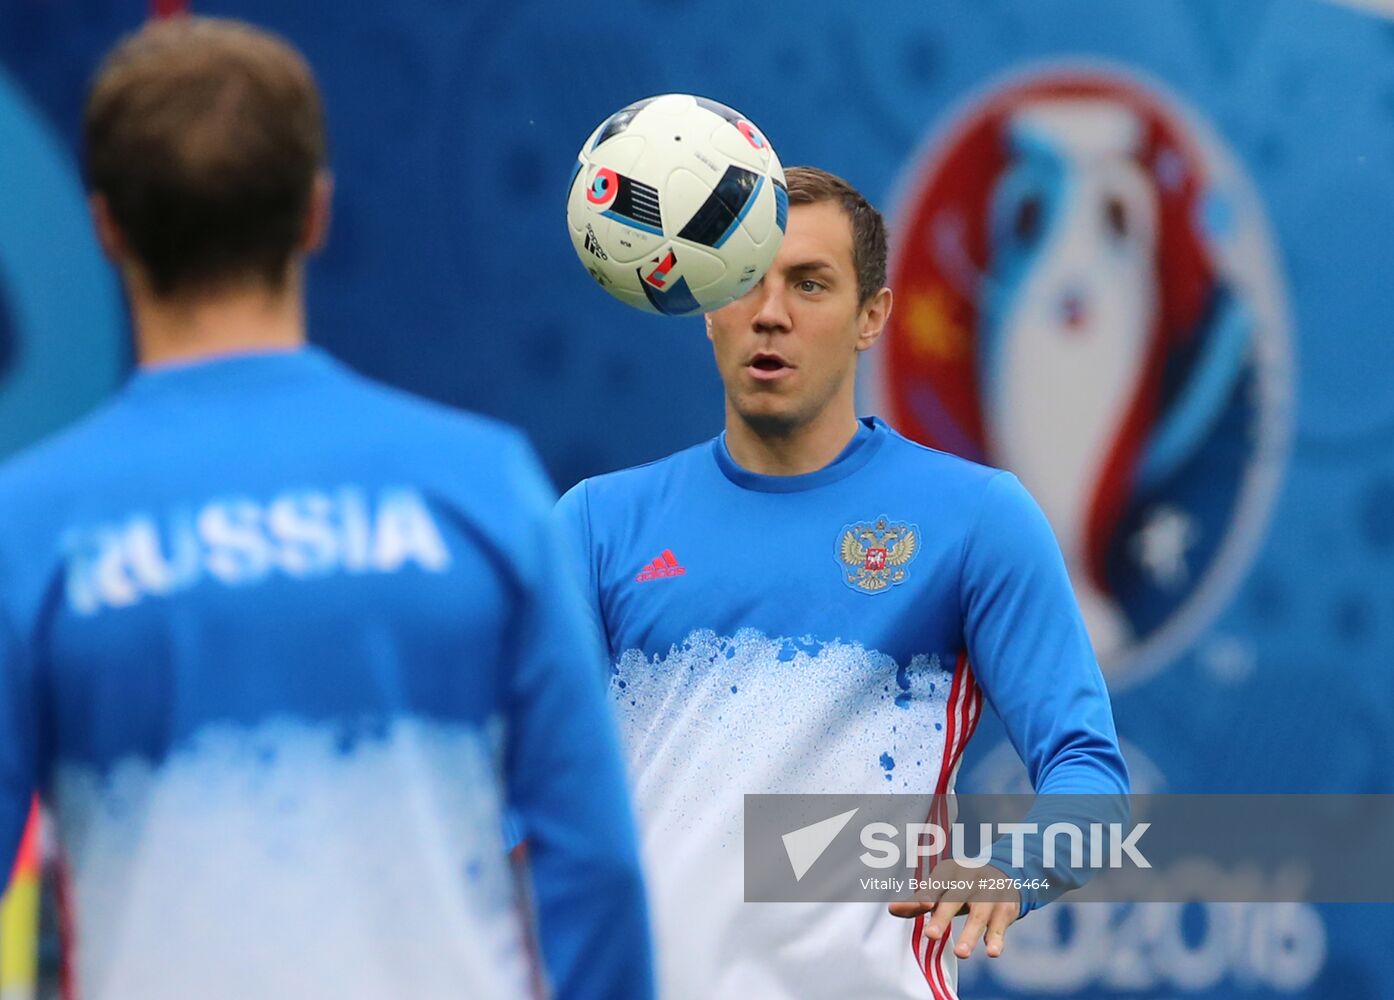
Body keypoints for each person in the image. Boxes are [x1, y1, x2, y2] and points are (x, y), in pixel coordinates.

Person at [0, 17, 652, 1000]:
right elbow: (591, 861)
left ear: (105, 227)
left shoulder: (27, 524)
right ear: (315, 212)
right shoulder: (480, 486)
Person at [554, 166, 1130, 999]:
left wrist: (1017, 869)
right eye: (745, 279)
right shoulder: (598, 524)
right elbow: (526, 783)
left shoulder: (975, 519)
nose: (772, 312)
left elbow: (1090, 776)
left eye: (810, 283)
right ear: (708, 305)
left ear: (872, 317)